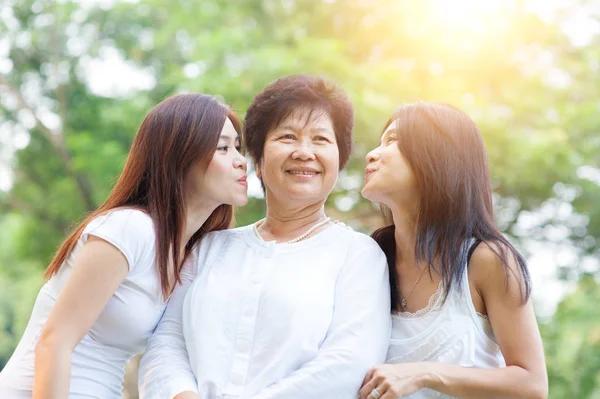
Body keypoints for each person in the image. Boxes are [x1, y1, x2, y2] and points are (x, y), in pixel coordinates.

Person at [138, 75, 391, 399]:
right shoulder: (209, 247)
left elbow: (349, 363)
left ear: (338, 162)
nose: (304, 152)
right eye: (288, 137)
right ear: (256, 161)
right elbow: (166, 343)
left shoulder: (358, 255)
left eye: (320, 140)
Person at [0, 94, 248, 399]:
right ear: (178, 158)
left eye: (238, 147)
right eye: (223, 148)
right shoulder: (130, 229)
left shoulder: (191, 255)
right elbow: (54, 342)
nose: (241, 160)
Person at [358, 102, 548, 399]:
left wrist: (424, 373)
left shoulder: (487, 260)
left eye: (392, 141)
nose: (372, 154)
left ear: (436, 157)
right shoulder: (368, 259)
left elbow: (532, 385)